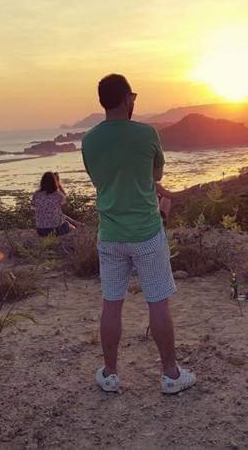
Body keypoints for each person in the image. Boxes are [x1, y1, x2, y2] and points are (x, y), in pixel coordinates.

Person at [81, 73, 196, 395]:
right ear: (127, 99)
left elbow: (98, 180)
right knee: (158, 303)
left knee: (111, 304)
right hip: (146, 231)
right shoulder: (146, 134)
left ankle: (110, 373)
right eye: (133, 96)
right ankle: (171, 375)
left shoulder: (89, 140)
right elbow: (155, 174)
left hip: (111, 233)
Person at [32, 172, 79, 237]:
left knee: (60, 216)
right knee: (71, 227)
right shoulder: (57, 194)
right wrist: (59, 185)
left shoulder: (36, 194)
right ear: (54, 182)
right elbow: (65, 201)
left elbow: (34, 205)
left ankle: (76, 223)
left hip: (40, 230)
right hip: (55, 229)